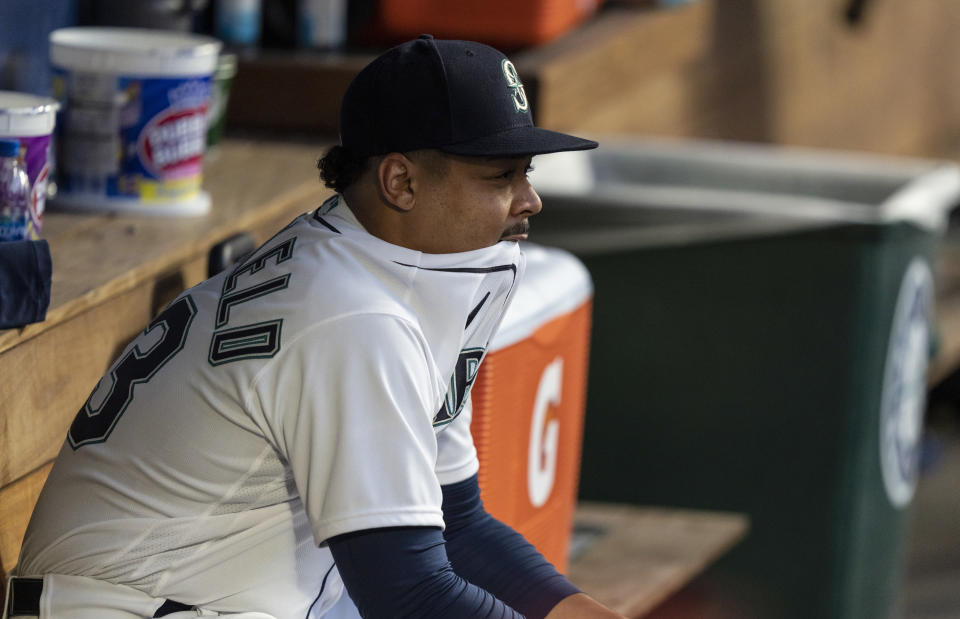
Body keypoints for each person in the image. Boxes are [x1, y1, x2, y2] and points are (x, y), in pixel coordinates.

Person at [6, 35, 622, 619]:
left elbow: (456, 527)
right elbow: (409, 596)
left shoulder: (374, 271)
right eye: (500, 176)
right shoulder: (352, 317)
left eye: (527, 173)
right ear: (400, 181)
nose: (529, 199)